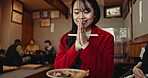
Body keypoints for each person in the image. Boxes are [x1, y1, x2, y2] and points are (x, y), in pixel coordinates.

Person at [54, 0, 114, 78]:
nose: (81, 16)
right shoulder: (65, 38)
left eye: (86, 11)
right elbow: (58, 68)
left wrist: (86, 45)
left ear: (95, 13)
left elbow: (107, 74)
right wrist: (76, 48)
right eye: (76, 12)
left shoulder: (107, 38)